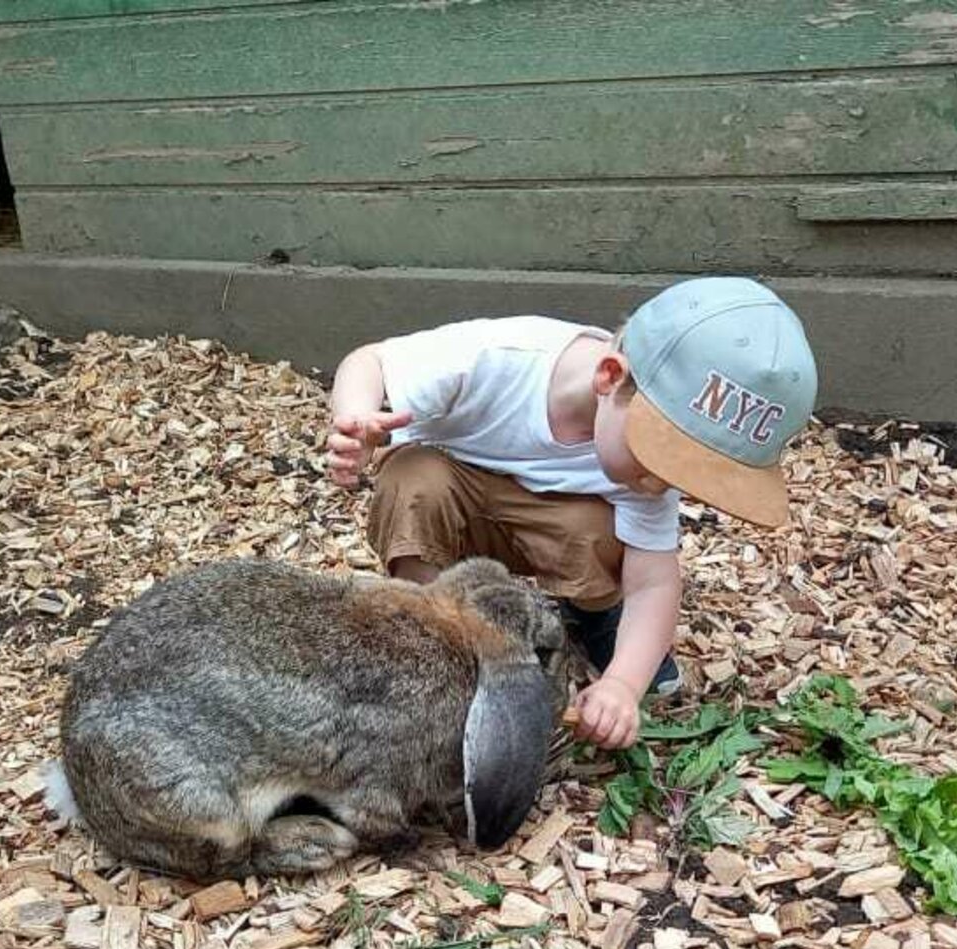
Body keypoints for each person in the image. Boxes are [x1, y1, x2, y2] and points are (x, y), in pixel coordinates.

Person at [324, 277, 818, 750]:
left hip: (545, 521)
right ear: (610, 377)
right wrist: (358, 416)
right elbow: (368, 359)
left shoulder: (643, 472)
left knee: (599, 531)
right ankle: (434, 625)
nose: (663, 485)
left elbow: (654, 582)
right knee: (413, 479)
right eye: (660, 456)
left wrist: (624, 683)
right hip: (455, 494)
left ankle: (597, 615)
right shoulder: (499, 358)